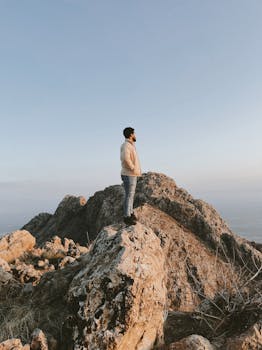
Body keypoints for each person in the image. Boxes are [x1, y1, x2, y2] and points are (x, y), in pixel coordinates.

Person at [120, 127, 142, 225]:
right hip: (129, 174)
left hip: (131, 174)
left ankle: (130, 213)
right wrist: (132, 168)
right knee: (129, 195)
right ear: (131, 134)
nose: (135, 135)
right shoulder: (126, 145)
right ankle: (127, 216)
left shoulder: (130, 145)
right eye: (134, 133)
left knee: (131, 195)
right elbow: (125, 158)